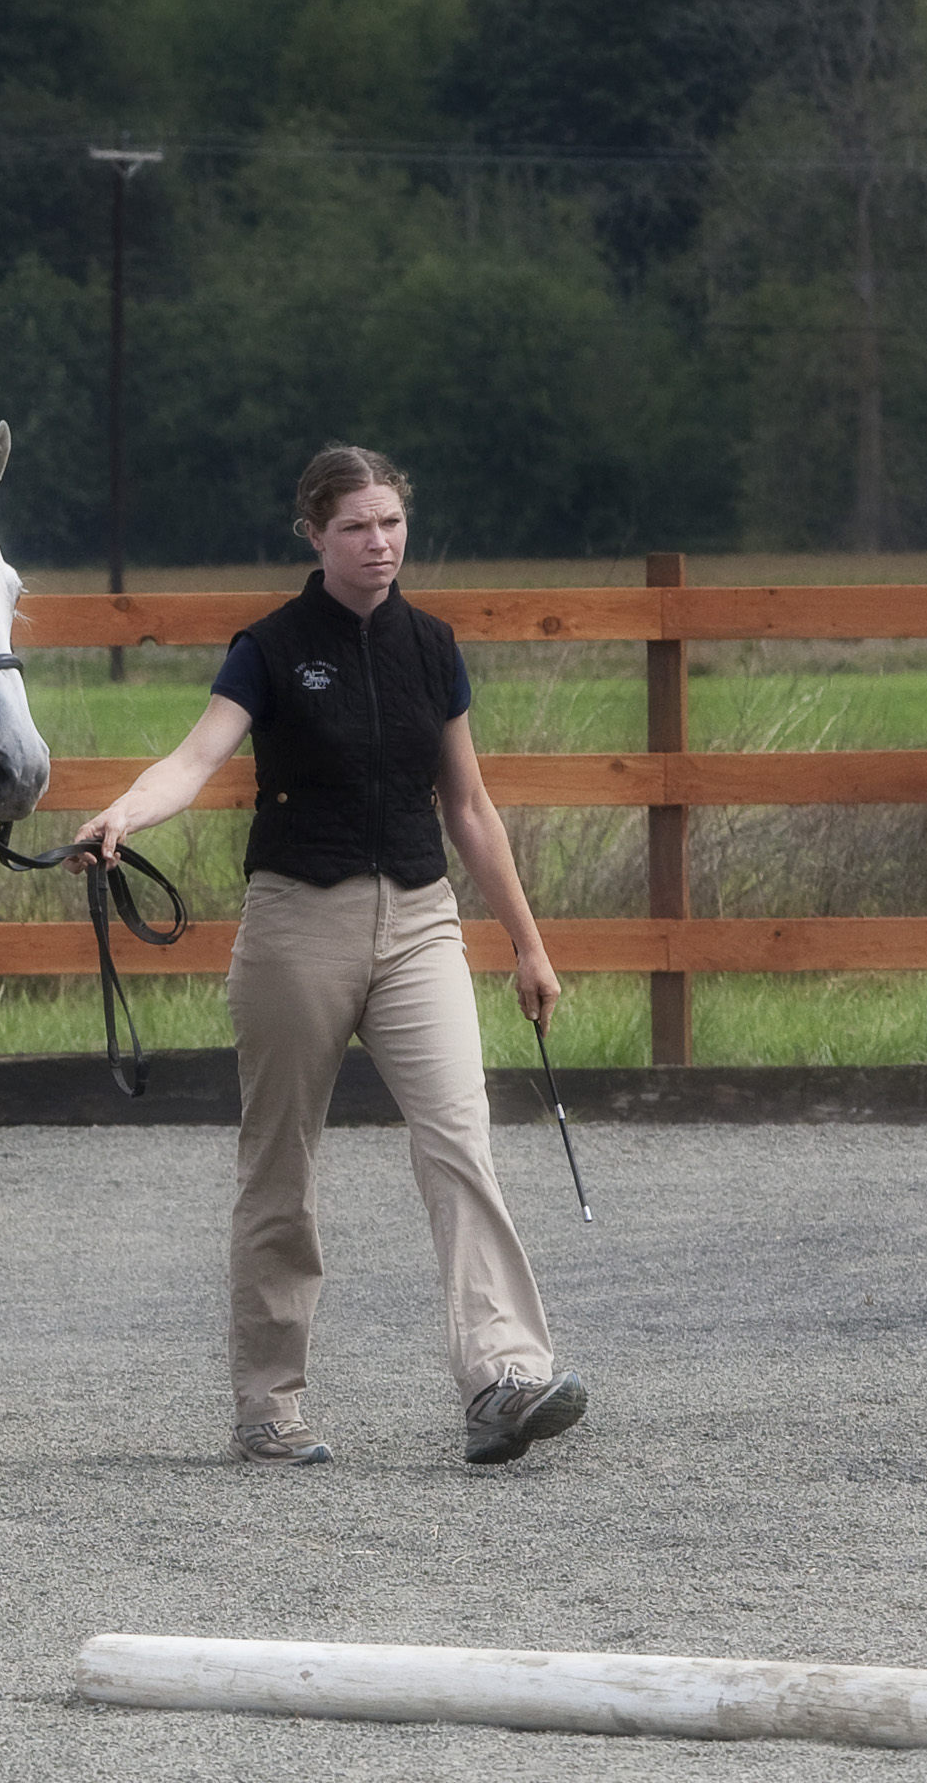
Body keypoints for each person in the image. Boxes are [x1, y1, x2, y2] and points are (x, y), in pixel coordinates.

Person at [73, 444, 588, 1467]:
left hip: (419, 920)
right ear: (312, 533)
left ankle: (501, 1377)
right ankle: (268, 1404)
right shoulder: (266, 647)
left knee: (458, 1142)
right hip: (294, 923)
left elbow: (469, 809)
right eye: (355, 526)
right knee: (281, 1167)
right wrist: (124, 813)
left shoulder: (432, 647)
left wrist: (526, 946)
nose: (379, 543)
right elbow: (195, 756)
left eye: (390, 523)